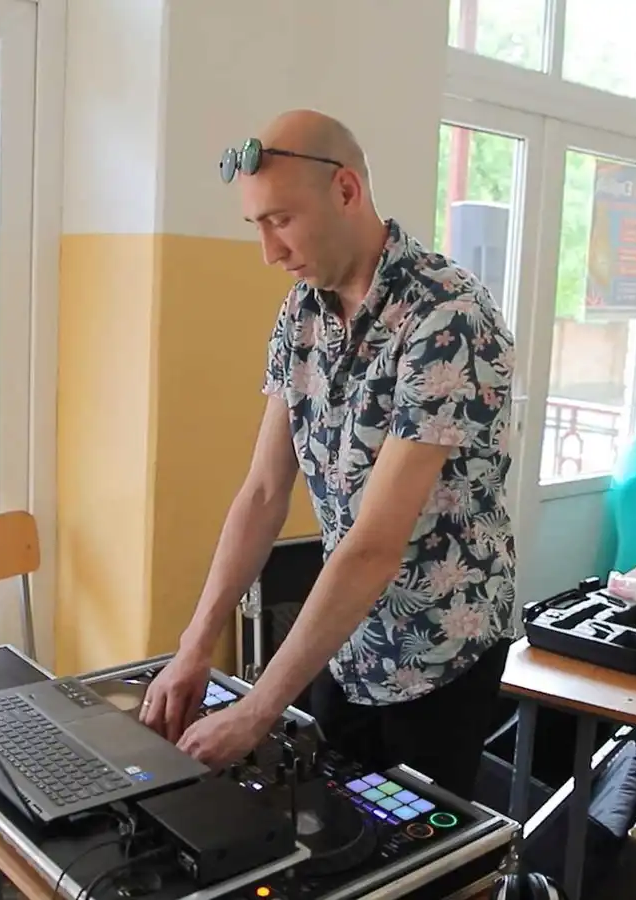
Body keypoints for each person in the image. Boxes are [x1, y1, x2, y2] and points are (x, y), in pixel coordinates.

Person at [139, 111, 519, 798]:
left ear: (346, 190)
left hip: (438, 653)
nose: (269, 251)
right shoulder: (302, 312)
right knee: (324, 825)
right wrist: (194, 646)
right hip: (344, 640)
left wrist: (258, 708)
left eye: (281, 220)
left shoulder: (448, 317)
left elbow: (374, 546)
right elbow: (263, 492)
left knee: (417, 850)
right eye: (257, 225)